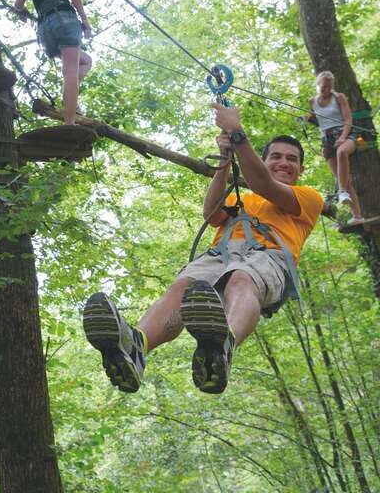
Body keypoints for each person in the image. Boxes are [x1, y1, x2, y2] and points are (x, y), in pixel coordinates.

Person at [82, 104, 324, 394]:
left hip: (267, 256)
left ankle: (224, 345)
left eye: (291, 159)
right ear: (263, 160)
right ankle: (137, 346)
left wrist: (237, 132)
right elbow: (211, 215)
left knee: (241, 278)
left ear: (301, 169)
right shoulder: (243, 197)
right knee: (183, 287)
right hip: (219, 254)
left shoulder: (308, 198)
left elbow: (262, 182)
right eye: (276, 157)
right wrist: (224, 160)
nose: (284, 162)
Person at [14, 0, 93, 125]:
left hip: (44, 30)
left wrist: (24, 12)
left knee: (85, 61)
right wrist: (85, 21)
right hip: (64, 19)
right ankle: (69, 123)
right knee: (71, 71)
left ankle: (68, 96)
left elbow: (17, 4)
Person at [307, 70, 363, 225]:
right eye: (324, 87)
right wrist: (307, 118)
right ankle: (357, 216)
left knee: (342, 151)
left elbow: (348, 119)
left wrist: (343, 137)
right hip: (327, 138)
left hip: (347, 134)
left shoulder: (338, 97)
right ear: (318, 85)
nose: (327, 90)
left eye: (329, 87)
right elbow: (316, 118)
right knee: (343, 178)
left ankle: (342, 192)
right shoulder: (312, 101)